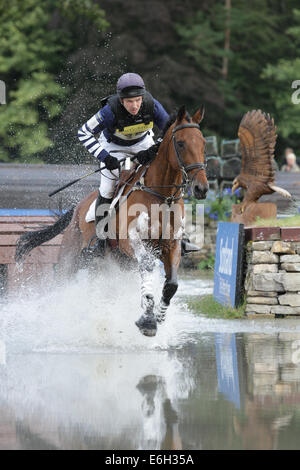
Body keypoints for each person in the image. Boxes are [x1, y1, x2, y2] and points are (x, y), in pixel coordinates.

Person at [78, 72, 200, 257]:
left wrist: (152, 149)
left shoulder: (152, 105)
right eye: (129, 102)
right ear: (121, 100)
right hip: (113, 148)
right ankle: (100, 242)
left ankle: (180, 235)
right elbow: (83, 133)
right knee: (107, 189)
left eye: (137, 100)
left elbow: (169, 131)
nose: (135, 106)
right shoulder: (109, 112)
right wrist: (105, 157)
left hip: (143, 144)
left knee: (168, 176)